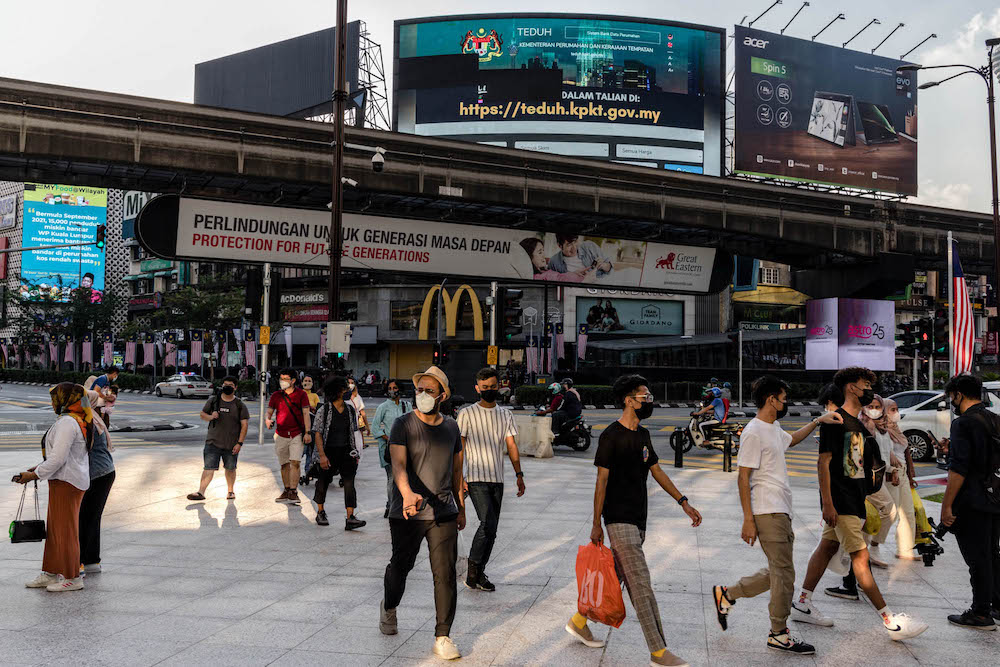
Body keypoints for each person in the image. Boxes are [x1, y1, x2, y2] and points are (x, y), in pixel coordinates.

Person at [566, 374, 703, 667]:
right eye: (644, 396)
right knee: (641, 585)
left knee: (614, 577)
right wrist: (595, 524)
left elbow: (656, 470)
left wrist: (683, 502)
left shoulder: (642, 435)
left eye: (649, 395)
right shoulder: (610, 436)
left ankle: (578, 621)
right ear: (629, 400)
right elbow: (601, 482)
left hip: (638, 519)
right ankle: (658, 651)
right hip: (618, 519)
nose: (649, 400)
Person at [791, 367, 928, 641]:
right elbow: (824, 463)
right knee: (861, 559)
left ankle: (801, 602)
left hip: (853, 501)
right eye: (866, 385)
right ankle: (891, 622)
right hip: (840, 503)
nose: (870, 391)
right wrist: (827, 504)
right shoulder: (836, 421)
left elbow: (856, 467)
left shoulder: (857, 424)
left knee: (827, 547)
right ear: (851, 388)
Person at [712, 376, 842, 655]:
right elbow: (743, 476)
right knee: (784, 573)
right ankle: (778, 633)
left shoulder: (774, 427)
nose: (784, 404)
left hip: (781, 508)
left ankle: (728, 594)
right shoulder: (754, 431)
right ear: (771, 399)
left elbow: (791, 440)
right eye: (783, 399)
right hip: (767, 509)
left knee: (778, 570)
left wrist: (819, 421)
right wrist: (748, 519)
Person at [380, 366, 465, 661]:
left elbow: (456, 470)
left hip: (443, 512)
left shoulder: (452, 427)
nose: (423, 395)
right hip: (407, 512)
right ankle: (390, 606)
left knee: (445, 575)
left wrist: (461, 508)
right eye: (419, 390)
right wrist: (406, 493)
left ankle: (443, 635)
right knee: (401, 567)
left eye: (430, 390)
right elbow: (398, 465)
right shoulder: (402, 424)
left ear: (442, 395)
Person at [13, 383, 93, 592]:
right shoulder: (73, 420)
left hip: (68, 482)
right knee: (56, 531)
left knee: (66, 532)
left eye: (54, 398)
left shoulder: (68, 422)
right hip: (63, 480)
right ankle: (50, 572)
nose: (52, 403)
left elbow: (58, 458)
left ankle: (72, 577)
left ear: (65, 399)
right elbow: (60, 458)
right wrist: (38, 469)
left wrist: (35, 474)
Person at [940, 373, 1000, 629]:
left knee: (977, 558)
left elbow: (959, 470)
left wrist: (946, 506)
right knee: (992, 554)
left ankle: (980, 612)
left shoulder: (963, 423)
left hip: (972, 499)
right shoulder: (995, 419)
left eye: (951, 396)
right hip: (994, 497)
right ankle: (996, 604)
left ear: (958, 395)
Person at [457, 367, 524, 592]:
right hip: (475, 478)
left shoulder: (506, 414)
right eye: (484, 387)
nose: (489, 390)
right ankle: (472, 572)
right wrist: (458, 477)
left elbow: (511, 445)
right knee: (486, 523)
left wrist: (519, 474)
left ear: (499, 386)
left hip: (498, 478)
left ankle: (479, 572)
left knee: (492, 529)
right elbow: (460, 449)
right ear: (477, 388)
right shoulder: (466, 413)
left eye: (493, 387)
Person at [861, 396, 916, 564]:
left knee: (882, 514)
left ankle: (870, 548)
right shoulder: (864, 427)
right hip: (869, 477)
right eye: (871, 406)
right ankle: (865, 549)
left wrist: (894, 471)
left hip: (886, 474)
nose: (875, 409)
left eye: (878, 406)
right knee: (878, 513)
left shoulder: (884, 428)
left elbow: (887, 453)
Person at [312, 376, 366, 530]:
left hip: (346, 452)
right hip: (328, 452)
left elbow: (352, 432)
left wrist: (354, 452)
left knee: (349, 484)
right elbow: (317, 433)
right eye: (344, 388)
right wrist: (322, 456)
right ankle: (321, 512)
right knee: (323, 482)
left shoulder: (349, 409)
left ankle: (350, 517)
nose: (347, 390)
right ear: (337, 391)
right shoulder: (325, 409)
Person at [187, 377, 249, 502]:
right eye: (225, 384)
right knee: (208, 467)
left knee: (230, 468)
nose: (227, 387)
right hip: (212, 442)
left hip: (231, 444)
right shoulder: (214, 401)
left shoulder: (239, 405)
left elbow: (244, 425)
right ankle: (201, 492)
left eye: (230, 385)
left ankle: (230, 491)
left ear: (235, 387)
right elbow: (202, 414)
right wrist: (211, 416)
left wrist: (239, 443)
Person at [78, 387, 115, 576]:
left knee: (83, 518)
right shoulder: (95, 415)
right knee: (92, 518)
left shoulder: (88, 419)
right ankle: (92, 561)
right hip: (105, 472)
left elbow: (80, 449)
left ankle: (81, 562)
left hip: (98, 474)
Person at [265, 368, 312, 504]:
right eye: (281, 379)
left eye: (286, 379)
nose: (283, 382)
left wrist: (307, 432)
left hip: (297, 433)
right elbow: (269, 412)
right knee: (284, 464)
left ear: (293, 380)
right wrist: (268, 420)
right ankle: (286, 490)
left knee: (295, 462)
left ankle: (293, 491)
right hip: (280, 435)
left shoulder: (301, 395)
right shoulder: (276, 395)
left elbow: (306, 414)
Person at [371, 379, 411, 518]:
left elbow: (412, 424)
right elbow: (375, 427)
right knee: (392, 477)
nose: (392, 390)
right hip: (388, 448)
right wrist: (389, 438)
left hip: (405, 448)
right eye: (389, 388)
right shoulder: (383, 407)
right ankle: (391, 505)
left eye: (394, 388)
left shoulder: (407, 405)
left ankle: (402, 502)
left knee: (404, 477)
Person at [519, 237, 586, 283]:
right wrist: (587, 278)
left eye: (543, 251)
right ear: (529, 256)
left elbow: (561, 277)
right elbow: (561, 279)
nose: (543, 255)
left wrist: (574, 273)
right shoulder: (538, 277)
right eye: (540, 252)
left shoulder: (542, 271)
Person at [547, 234, 613, 279]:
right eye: (569, 245)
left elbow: (610, 269)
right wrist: (572, 276)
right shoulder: (553, 262)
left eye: (575, 242)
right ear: (559, 246)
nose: (574, 248)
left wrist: (604, 265)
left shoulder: (590, 246)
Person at [299, 375, 320, 485]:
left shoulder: (314, 396)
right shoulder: (299, 394)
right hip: (299, 428)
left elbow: (319, 409)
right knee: (300, 451)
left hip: (311, 427)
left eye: (309, 380)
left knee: (310, 452)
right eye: (305, 380)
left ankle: (308, 473)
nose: (307, 382)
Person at [347, 377, 369, 449]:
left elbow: (362, 412)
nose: (350, 385)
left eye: (352, 383)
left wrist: (367, 426)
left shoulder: (358, 397)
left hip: (356, 424)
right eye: (349, 383)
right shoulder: (341, 397)